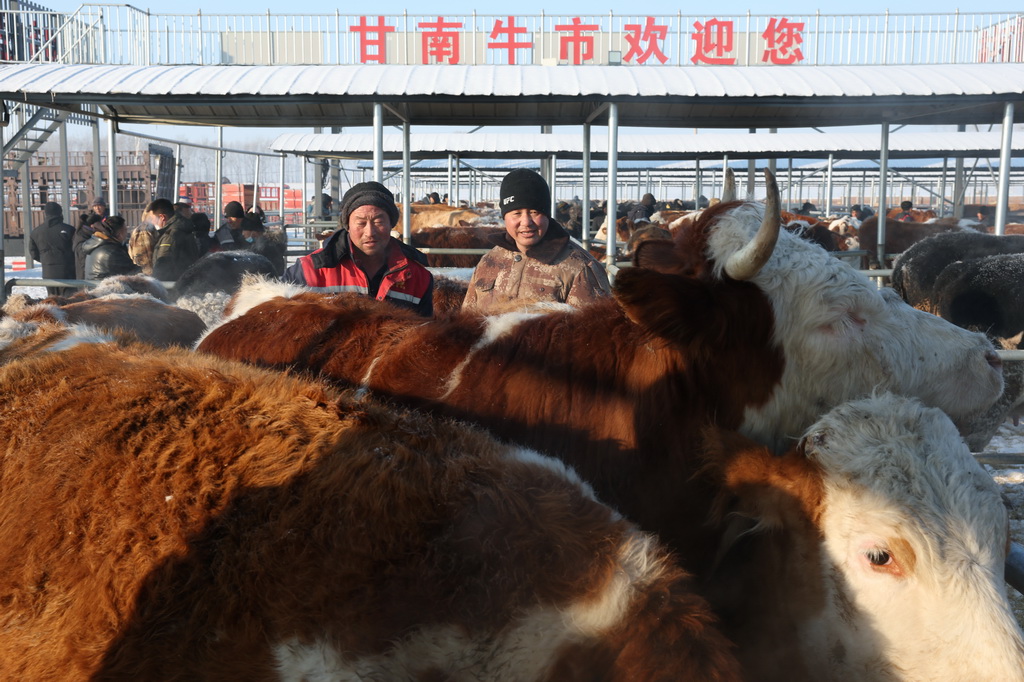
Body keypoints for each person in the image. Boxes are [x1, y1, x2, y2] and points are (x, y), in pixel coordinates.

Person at [462, 169, 610, 313]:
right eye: (516, 213)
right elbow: (468, 321)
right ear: (504, 216)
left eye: (535, 212)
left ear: (547, 215)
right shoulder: (490, 261)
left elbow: (593, 332)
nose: (526, 222)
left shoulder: (579, 268)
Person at [283, 181, 433, 317]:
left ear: (391, 224)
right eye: (361, 223)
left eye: (378, 221)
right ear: (347, 225)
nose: (370, 232)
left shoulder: (418, 277)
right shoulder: (308, 272)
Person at [29, 201, 76, 295]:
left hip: (48, 273)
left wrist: (46, 260)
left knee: (52, 301)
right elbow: (76, 250)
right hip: (67, 272)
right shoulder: (69, 230)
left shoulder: (36, 232)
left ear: (45, 213)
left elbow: (33, 253)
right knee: (68, 302)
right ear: (60, 213)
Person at [148, 197, 200, 281]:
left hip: (170, 285)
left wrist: (154, 283)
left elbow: (163, 265)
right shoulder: (181, 228)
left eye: (153, 219)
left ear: (162, 217)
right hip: (183, 281)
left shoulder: (170, 235)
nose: (152, 222)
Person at [81, 215, 141, 280]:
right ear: (119, 234)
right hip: (103, 288)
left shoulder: (97, 245)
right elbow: (134, 271)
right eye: (125, 230)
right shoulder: (111, 252)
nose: (127, 233)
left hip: (97, 287)